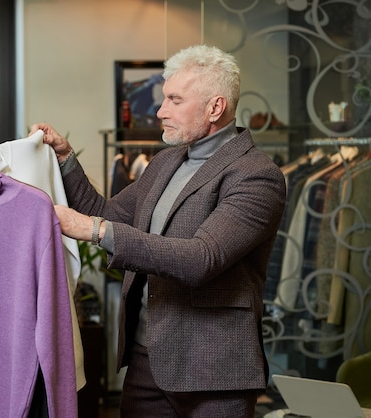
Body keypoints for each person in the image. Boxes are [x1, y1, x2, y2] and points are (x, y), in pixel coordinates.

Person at [31, 44, 287, 418]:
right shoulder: (166, 161)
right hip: (146, 361)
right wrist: (67, 159)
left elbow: (201, 258)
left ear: (215, 108)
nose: (160, 110)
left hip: (213, 375)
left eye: (174, 100)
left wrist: (94, 230)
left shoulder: (257, 176)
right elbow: (108, 214)